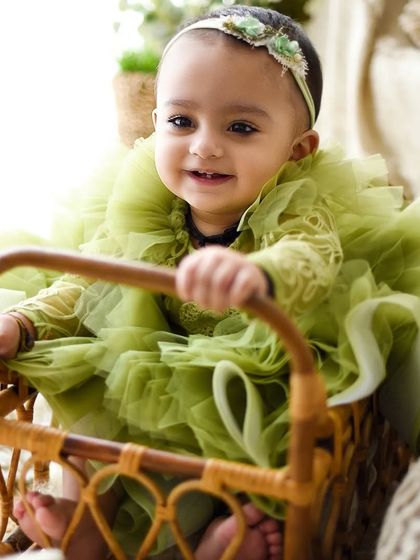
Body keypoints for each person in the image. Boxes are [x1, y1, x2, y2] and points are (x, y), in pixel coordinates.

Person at [1, 3, 420, 559]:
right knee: (89, 391)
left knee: (272, 447)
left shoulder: (297, 211)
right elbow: (87, 282)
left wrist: (255, 273)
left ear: (297, 151)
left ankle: (217, 538)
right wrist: (25, 321)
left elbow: (310, 257)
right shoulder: (147, 208)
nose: (204, 145)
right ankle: (86, 525)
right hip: (151, 366)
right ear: (155, 124)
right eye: (181, 121)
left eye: (241, 127)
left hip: (252, 371)